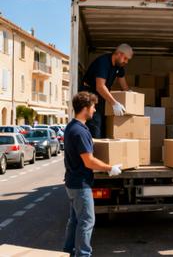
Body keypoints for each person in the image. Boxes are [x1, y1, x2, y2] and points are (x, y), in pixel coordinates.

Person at [62, 92, 122, 256]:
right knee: (87, 221)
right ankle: (83, 254)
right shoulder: (80, 132)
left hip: (72, 182)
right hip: (81, 185)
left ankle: (68, 251)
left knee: (74, 220)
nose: (95, 110)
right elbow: (88, 161)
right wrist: (110, 168)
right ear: (85, 109)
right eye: (93, 107)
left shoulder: (72, 127)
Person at [79, 43, 133, 138]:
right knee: (95, 127)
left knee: (103, 127)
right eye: (125, 58)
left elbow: (124, 87)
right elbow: (100, 86)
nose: (126, 62)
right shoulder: (103, 62)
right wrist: (114, 103)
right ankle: (92, 151)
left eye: (128, 60)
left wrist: (132, 98)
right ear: (119, 54)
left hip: (100, 97)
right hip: (89, 97)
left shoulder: (119, 67)